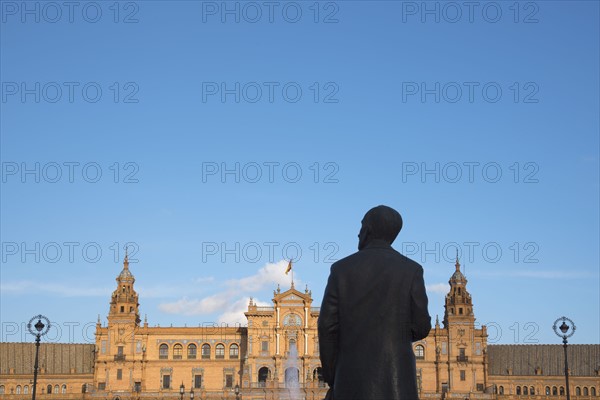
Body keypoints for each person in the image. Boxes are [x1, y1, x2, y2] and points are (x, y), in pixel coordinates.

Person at [318, 205, 431, 400]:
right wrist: (395, 334)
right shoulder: (412, 270)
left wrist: (331, 375)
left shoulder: (341, 270)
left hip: (350, 381)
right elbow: (421, 327)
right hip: (397, 381)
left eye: (361, 227)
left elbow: (327, 327)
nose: (358, 233)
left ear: (368, 230)